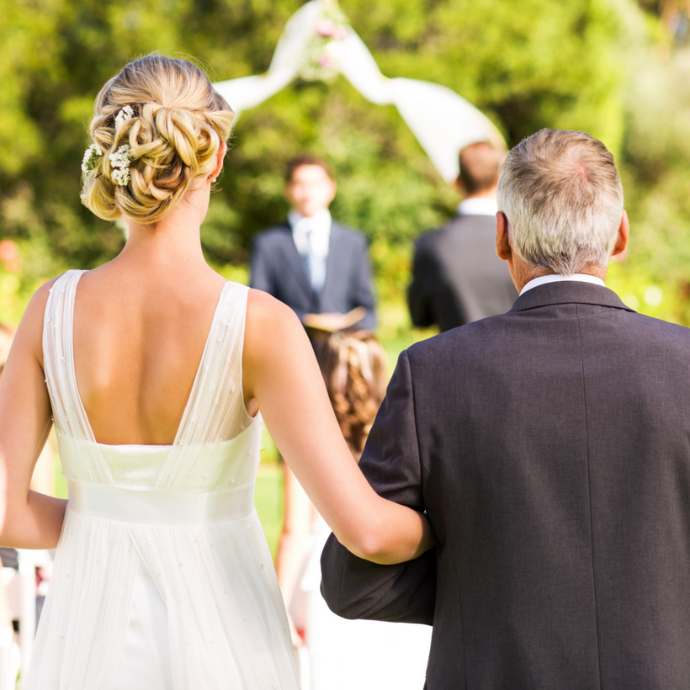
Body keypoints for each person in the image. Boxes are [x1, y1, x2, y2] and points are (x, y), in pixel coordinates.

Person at [0, 55, 433, 690]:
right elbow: (367, 529)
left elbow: (6, 512)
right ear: (216, 155)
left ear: (114, 154)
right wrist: (458, 516)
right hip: (223, 631)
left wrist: (111, 518)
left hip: (85, 632)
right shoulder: (260, 324)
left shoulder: (47, 309)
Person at [322, 128, 690, 689]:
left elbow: (353, 579)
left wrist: (473, 571)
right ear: (620, 236)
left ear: (502, 237)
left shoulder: (434, 372)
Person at [276, 330, 431, 689]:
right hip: (393, 586)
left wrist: (278, 606)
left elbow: (293, 531)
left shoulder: (304, 445)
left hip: (324, 582)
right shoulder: (401, 443)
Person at [250, 155, 376, 333]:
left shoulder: (354, 242)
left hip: (341, 352)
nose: (308, 192)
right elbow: (259, 305)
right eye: (300, 184)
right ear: (287, 189)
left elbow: (368, 309)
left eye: (316, 184)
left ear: (331, 188)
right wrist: (309, 321)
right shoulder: (267, 243)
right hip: (288, 349)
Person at [407, 141, 517, 331]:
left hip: (453, 358)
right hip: (519, 357)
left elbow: (420, 318)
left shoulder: (430, 244)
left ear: (457, 181)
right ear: (500, 179)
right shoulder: (523, 240)